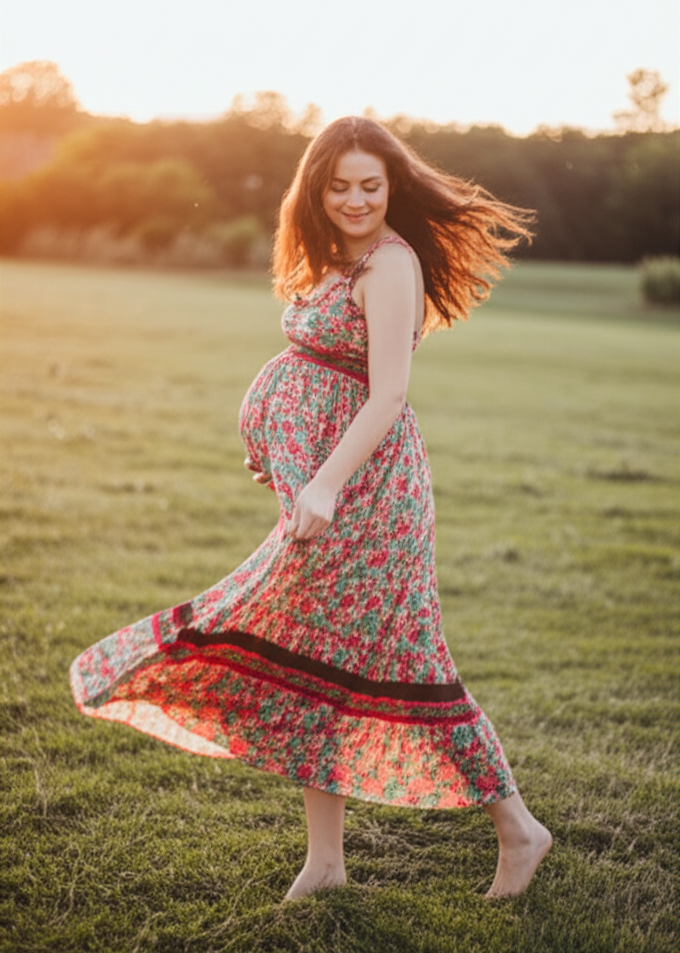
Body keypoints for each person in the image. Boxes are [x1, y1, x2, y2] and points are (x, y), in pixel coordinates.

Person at [70, 116, 552, 902]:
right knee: (313, 666)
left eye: (371, 185)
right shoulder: (336, 257)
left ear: (391, 186)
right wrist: (288, 455)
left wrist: (325, 481)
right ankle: (325, 863)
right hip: (325, 491)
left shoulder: (391, 265)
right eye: (340, 186)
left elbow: (389, 393)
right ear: (316, 186)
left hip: (369, 499)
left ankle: (519, 829)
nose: (356, 199)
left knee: (411, 665)